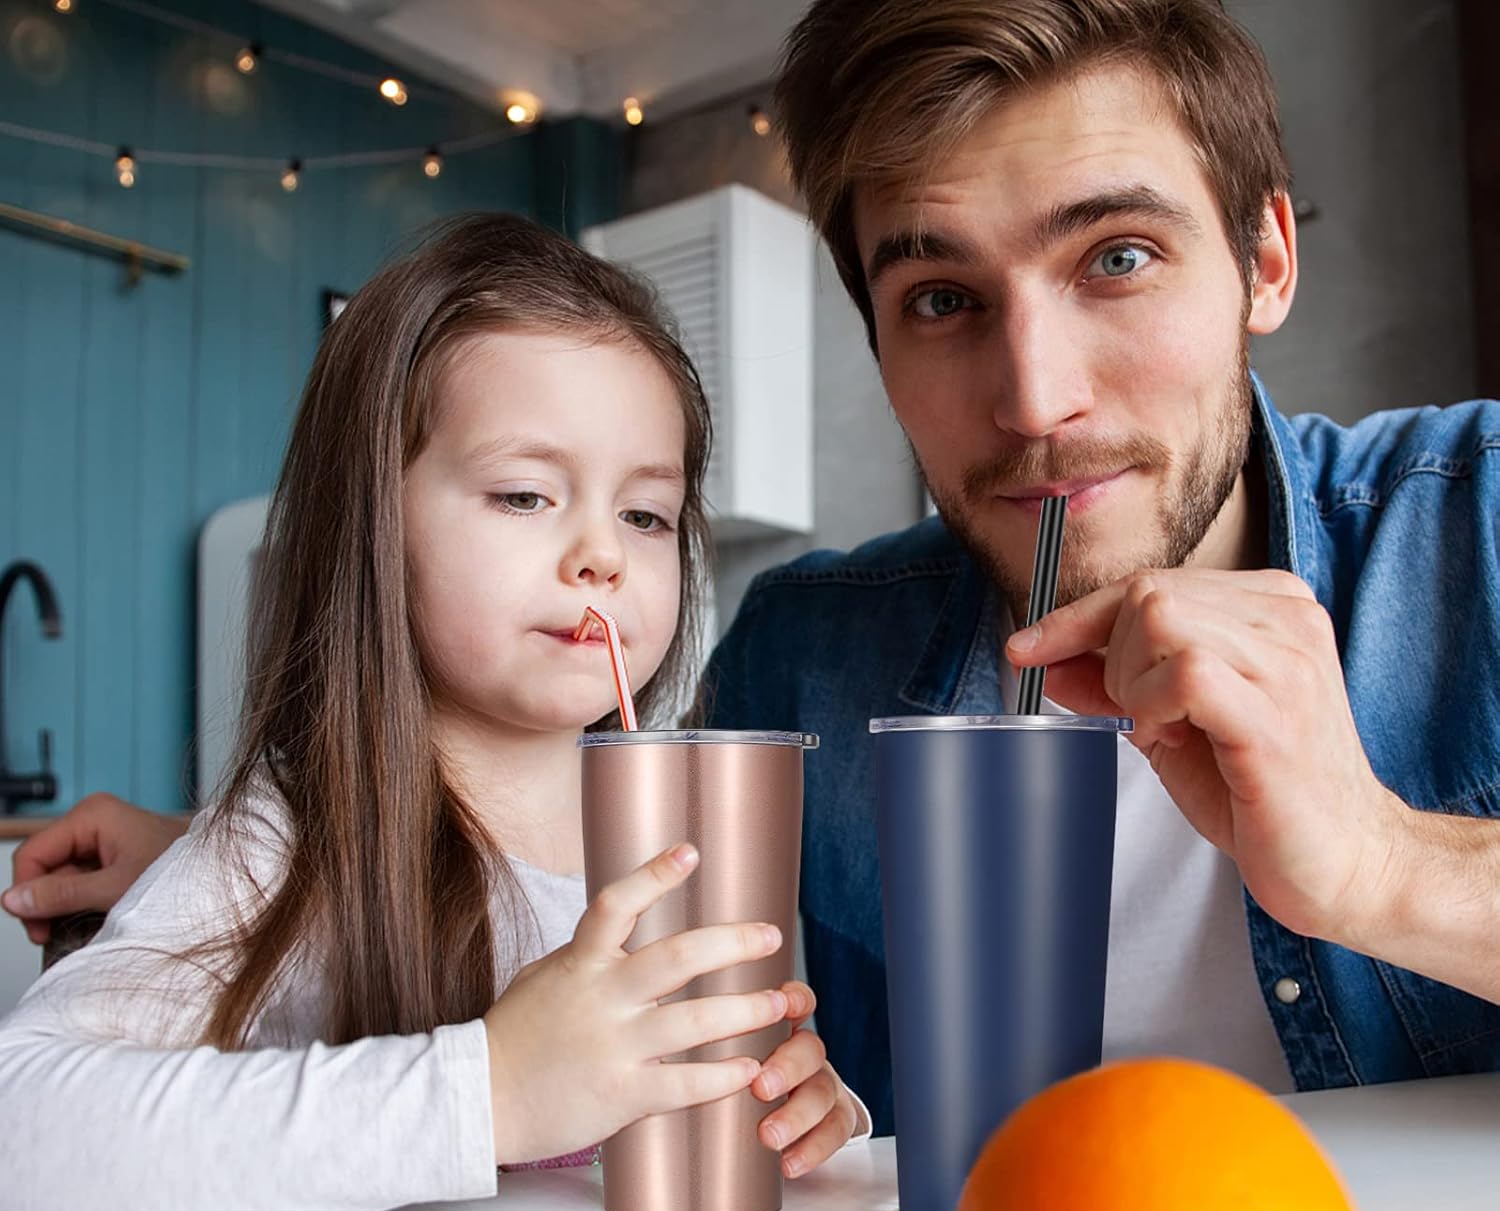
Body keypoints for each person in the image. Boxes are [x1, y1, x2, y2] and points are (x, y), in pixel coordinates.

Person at [11, 0, 1499, 1138]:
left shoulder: (1477, 522)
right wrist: (279, 859)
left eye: (1116, 256)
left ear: (1266, 258)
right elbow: (600, 921)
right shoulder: (800, 657)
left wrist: (1383, 867)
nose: (1035, 397)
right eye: (939, 297)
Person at [0, 214, 863, 1211]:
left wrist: (812, 1114)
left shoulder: (690, 837)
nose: (601, 555)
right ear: (374, 525)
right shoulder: (294, 847)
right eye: (523, 495)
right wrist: (491, 1091)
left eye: (646, 515)